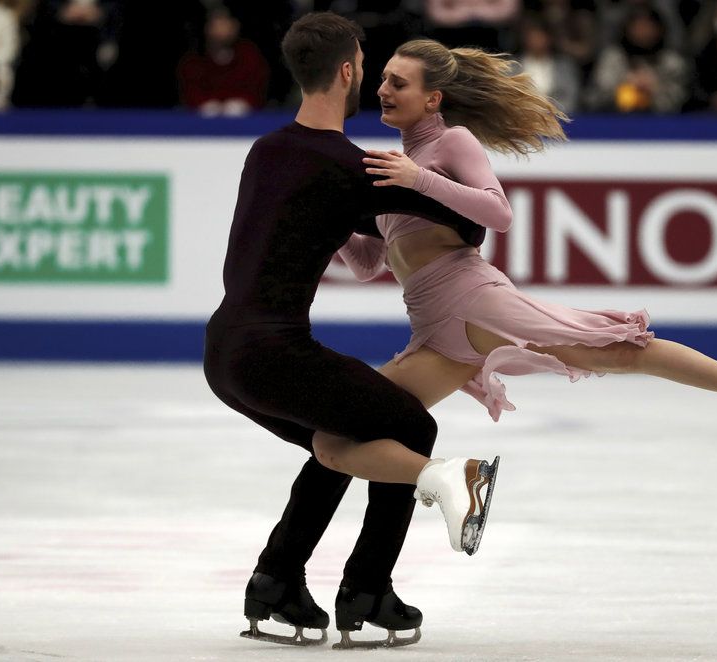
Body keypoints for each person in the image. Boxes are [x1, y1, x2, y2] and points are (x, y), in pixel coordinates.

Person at [326, 38, 717, 438]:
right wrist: (329, 219)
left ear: (432, 98)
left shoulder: (450, 143)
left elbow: (498, 214)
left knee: (620, 351)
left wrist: (419, 180)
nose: (383, 89)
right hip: (433, 327)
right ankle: (454, 482)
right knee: (359, 426)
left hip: (473, 301)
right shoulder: (392, 168)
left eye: (398, 82)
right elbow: (371, 263)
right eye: (385, 78)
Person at [202, 12, 501, 650]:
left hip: (223, 353)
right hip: (273, 353)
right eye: (365, 64)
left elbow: (337, 242)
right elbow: (473, 224)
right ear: (346, 71)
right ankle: (369, 590)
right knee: (408, 425)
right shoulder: (353, 167)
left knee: (341, 436)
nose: (369, 74)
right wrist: (422, 175)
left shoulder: (268, 148)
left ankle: (277, 581)